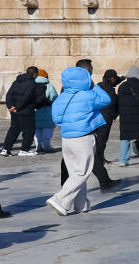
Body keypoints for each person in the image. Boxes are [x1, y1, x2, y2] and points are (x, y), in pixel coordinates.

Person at [45, 66, 113, 216]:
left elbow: (56, 118)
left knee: (75, 173)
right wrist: (94, 86)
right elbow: (106, 100)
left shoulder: (61, 97)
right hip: (84, 137)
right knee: (82, 173)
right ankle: (60, 199)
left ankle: (80, 205)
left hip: (67, 138)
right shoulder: (89, 95)